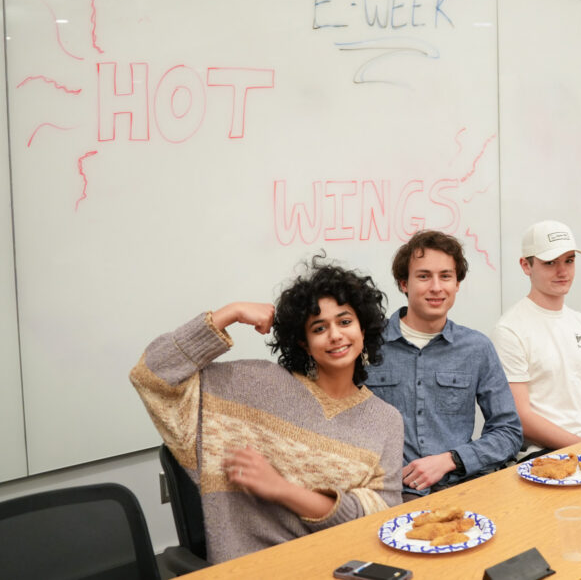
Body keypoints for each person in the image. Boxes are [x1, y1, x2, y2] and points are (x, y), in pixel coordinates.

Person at [129, 256, 403, 563]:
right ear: (303, 343)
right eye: (319, 327)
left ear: (363, 329)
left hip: (347, 565)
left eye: (344, 321)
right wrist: (228, 313)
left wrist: (283, 490)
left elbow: (381, 515)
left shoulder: (386, 421)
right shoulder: (251, 385)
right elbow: (152, 375)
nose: (335, 335)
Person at [366, 230, 522, 499]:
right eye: (424, 276)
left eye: (446, 276)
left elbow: (508, 432)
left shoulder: (477, 347)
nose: (436, 287)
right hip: (390, 494)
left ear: (457, 284)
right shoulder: (366, 345)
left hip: (462, 487)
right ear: (404, 283)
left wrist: (452, 459)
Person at [491, 220, 581, 459]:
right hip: (545, 453)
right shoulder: (510, 329)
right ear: (526, 265)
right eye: (550, 263)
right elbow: (521, 416)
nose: (562, 271)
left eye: (569, 261)